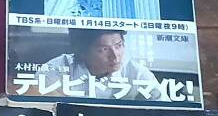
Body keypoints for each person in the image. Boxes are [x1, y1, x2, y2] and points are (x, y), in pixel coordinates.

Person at [36, 28, 164, 100]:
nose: (115, 56)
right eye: (104, 49)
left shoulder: (137, 73)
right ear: (82, 52)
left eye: (118, 46)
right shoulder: (57, 69)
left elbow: (165, 112)